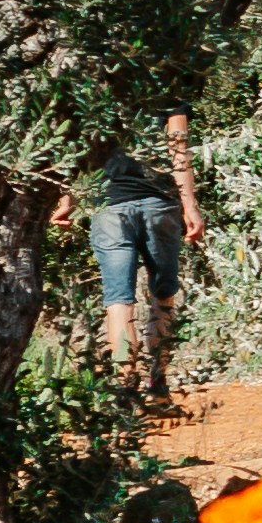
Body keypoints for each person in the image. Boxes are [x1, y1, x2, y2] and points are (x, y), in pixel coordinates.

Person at [92, 115, 204, 402]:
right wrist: (189, 206)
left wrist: (66, 202)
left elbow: (77, 152)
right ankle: (157, 387)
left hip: (109, 206)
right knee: (162, 295)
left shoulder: (93, 82)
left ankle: (126, 394)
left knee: (118, 302)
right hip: (160, 204)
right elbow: (178, 145)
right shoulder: (167, 85)